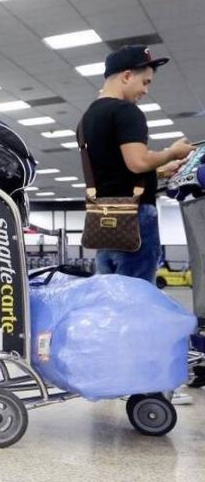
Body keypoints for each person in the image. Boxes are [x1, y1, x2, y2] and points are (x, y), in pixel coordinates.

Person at [77, 44, 194, 405]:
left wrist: (160, 170)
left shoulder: (88, 117)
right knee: (139, 304)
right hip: (136, 222)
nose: (145, 90)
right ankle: (147, 386)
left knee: (111, 305)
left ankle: (111, 376)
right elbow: (136, 162)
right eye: (144, 82)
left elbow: (117, 171)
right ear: (126, 75)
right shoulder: (127, 112)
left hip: (104, 221)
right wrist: (172, 152)